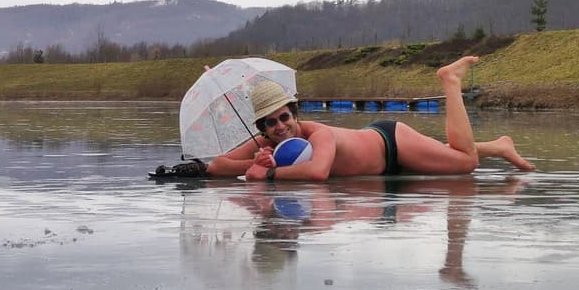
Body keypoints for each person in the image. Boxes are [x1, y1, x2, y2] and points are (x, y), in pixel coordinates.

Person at [205, 56, 535, 181]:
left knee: (465, 163)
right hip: (380, 160)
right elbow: (217, 165)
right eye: (271, 123)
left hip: (391, 143)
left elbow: (318, 172)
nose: (280, 127)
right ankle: (499, 146)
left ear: (294, 113)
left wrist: (269, 172)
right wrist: (254, 162)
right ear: (262, 128)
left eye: (284, 117)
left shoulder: (317, 133)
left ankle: (450, 80)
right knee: (443, 152)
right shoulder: (269, 143)